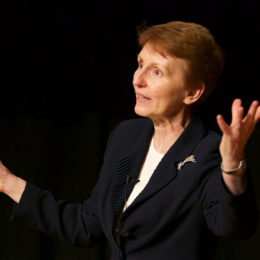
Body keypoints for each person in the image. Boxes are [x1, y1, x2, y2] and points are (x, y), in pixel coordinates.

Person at [0, 21, 259, 260]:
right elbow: (87, 226)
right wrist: (8, 183)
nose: (137, 79)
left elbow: (231, 227)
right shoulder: (127, 137)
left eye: (156, 72)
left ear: (191, 92)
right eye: (140, 64)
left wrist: (232, 166)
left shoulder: (208, 151)